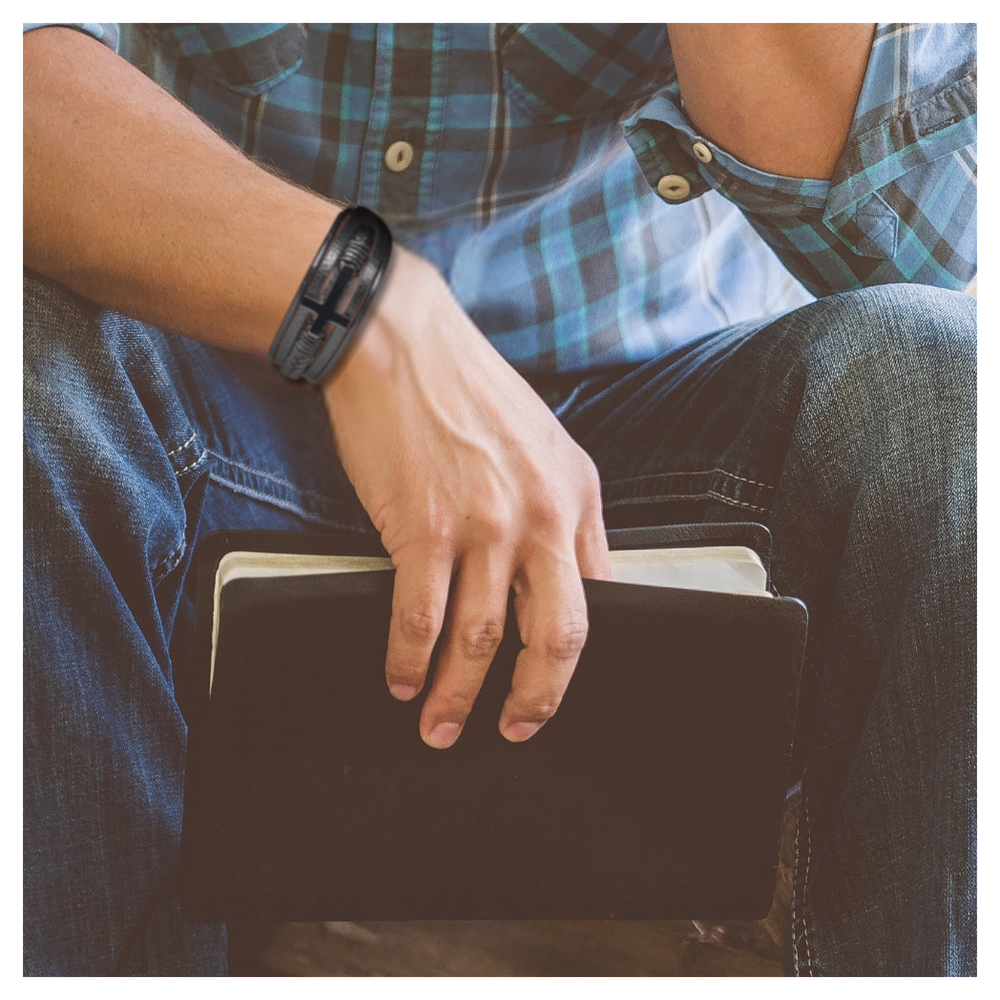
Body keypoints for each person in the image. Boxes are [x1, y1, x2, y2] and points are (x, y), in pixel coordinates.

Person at [22, 22, 977, 977]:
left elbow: (908, 252)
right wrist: (362, 308)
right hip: (197, 406)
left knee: (948, 398)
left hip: (649, 445)